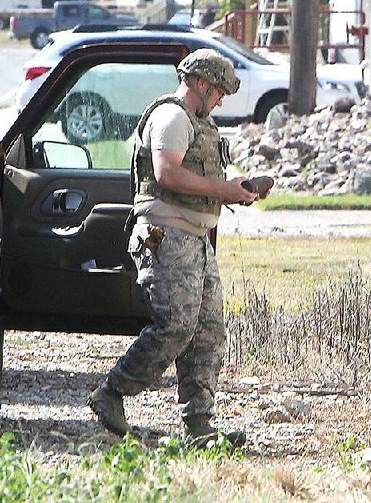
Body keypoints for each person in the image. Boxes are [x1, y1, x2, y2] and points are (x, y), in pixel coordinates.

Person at [87, 48, 270, 446]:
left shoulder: (199, 124)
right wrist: (226, 190)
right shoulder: (171, 118)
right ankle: (112, 392)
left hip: (196, 240)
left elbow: (196, 178)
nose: (221, 100)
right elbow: (166, 173)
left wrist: (237, 189)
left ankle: (200, 426)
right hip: (167, 236)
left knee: (208, 333)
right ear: (201, 84)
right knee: (175, 326)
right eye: (219, 91)